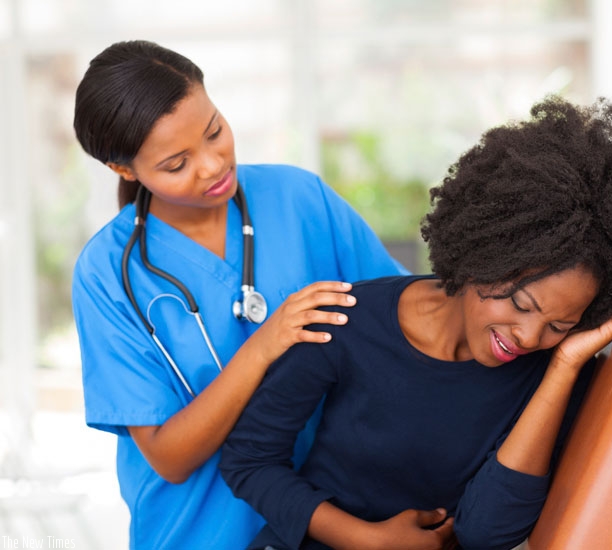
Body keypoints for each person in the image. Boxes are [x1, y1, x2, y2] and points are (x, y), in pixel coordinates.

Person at [219, 95, 612, 550]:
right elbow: (249, 459)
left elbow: (488, 533)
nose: (530, 336)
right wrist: (365, 539)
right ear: (480, 257)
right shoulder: (346, 319)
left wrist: (565, 365)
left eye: (559, 325)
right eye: (521, 304)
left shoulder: (552, 372)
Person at [71, 40, 408, 550]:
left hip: (341, 523)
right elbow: (169, 457)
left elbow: (404, 320)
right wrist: (264, 344)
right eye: (177, 163)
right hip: (199, 535)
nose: (212, 165)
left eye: (214, 131)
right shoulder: (107, 274)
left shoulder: (299, 199)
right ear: (125, 170)